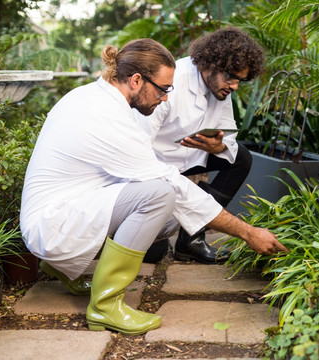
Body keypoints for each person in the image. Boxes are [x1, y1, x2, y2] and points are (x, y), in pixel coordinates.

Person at [20, 38, 288, 336]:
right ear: (136, 80)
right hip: (53, 224)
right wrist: (248, 232)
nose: (165, 99)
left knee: (171, 211)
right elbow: (166, 181)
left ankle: (62, 267)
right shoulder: (106, 116)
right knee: (161, 193)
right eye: (162, 90)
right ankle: (105, 306)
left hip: (66, 207)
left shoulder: (95, 97)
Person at [136, 27, 264, 264]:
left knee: (241, 158)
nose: (235, 86)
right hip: (153, 167)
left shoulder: (220, 88)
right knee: (153, 254)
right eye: (231, 77)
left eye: (240, 80)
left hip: (187, 158)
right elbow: (138, 145)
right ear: (211, 63)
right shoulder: (171, 81)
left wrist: (219, 147)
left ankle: (191, 240)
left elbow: (229, 135)